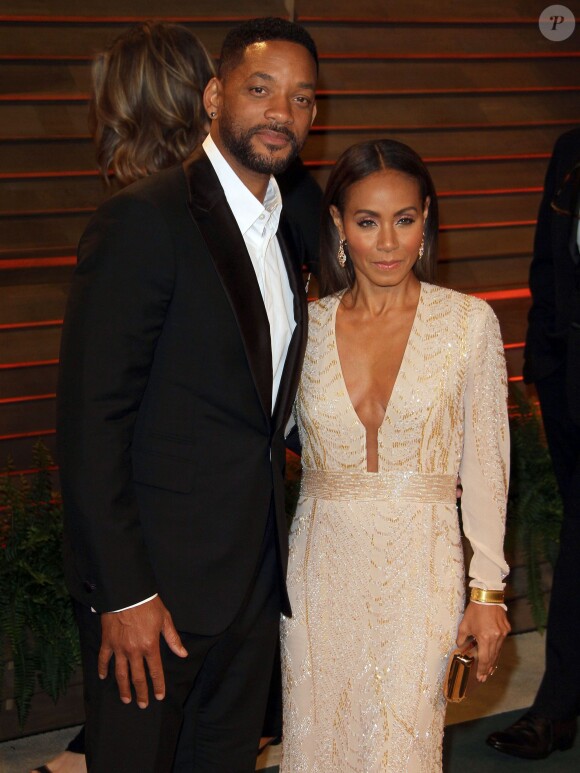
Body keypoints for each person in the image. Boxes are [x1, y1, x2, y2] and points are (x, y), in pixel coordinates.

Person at [56, 16, 318, 773]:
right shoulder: (143, 218)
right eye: (260, 89)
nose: (280, 112)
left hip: (250, 584)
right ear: (213, 95)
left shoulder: (286, 227)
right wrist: (125, 594)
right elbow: (91, 424)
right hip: (156, 598)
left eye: (301, 99)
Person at [280, 139, 511, 771]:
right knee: (318, 746)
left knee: (402, 747)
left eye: (404, 220)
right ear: (337, 224)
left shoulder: (469, 325)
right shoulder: (303, 328)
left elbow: (487, 468)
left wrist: (487, 593)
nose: (387, 243)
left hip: (423, 565)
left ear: (426, 218)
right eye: (366, 221)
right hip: (319, 572)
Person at [487, 129, 580, 759]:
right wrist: (544, 364)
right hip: (571, 383)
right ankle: (559, 708)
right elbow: (547, 266)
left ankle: (556, 707)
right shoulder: (571, 151)